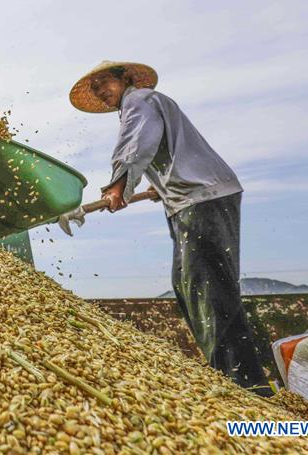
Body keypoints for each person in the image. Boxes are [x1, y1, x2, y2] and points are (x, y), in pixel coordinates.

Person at [61, 60, 272, 396]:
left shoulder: (139, 100)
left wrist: (118, 185)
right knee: (189, 283)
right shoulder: (148, 104)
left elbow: (136, 145)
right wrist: (151, 189)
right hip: (192, 199)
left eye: (104, 82)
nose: (101, 91)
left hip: (201, 198)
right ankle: (229, 373)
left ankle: (246, 384)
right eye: (96, 87)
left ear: (125, 78)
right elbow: (169, 152)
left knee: (208, 286)